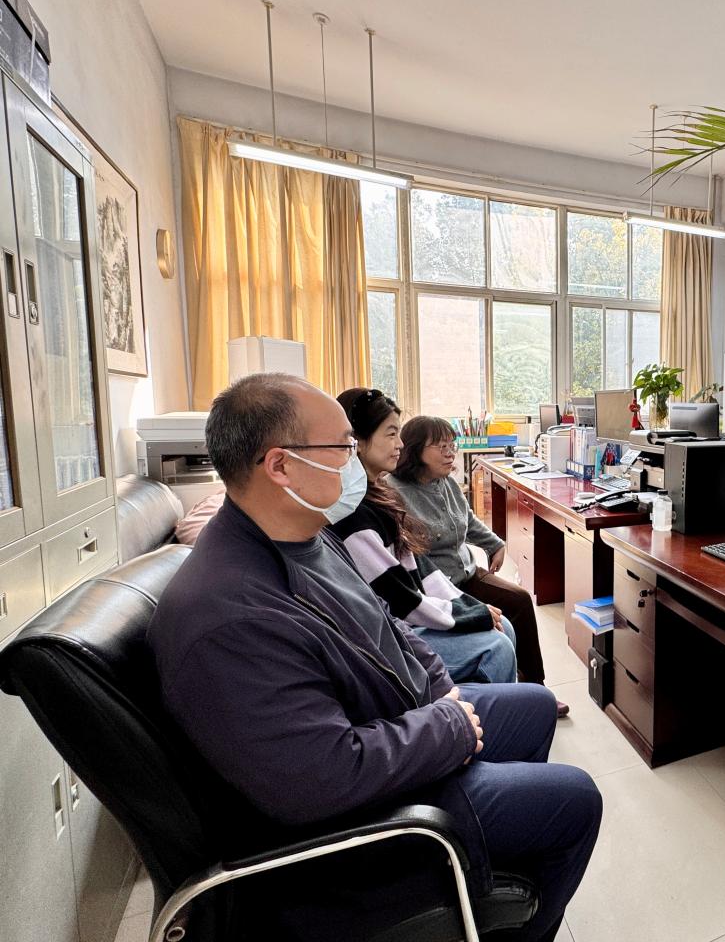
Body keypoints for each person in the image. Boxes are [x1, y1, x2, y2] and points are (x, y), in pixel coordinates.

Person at [147, 374, 601, 942]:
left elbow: (388, 622)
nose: (356, 461)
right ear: (281, 466)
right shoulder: (230, 618)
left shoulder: (306, 537)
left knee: (531, 704)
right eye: (342, 446)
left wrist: (440, 688)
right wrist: (449, 726)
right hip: (363, 820)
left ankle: (491, 882)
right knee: (575, 799)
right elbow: (323, 777)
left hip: (391, 718)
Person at [329, 387, 517, 684]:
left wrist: (470, 608)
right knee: (497, 646)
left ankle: (509, 699)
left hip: (414, 610)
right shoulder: (356, 511)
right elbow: (400, 597)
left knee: (504, 624)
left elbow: (420, 568)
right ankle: (471, 710)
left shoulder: (380, 496)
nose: (400, 444)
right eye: (391, 434)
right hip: (390, 632)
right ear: (357, 442)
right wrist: (467, 614)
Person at [389, 416, 568, 717]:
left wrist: (495, 543)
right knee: (498, 626)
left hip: (465, 572)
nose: (451, 453)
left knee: (519, 600)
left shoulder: (446, 483)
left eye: (453, 445)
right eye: (441, 447)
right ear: (415, 450)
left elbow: (468, 521)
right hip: (436, 586)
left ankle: (534, 686)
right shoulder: (395, 493)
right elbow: (409, 559)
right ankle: (505, 694)